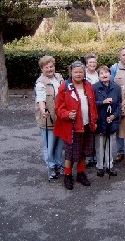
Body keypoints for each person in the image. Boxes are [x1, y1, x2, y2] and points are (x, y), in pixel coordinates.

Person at [54, 61, 98, 190]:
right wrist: (67, 114)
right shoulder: (65, 87)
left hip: (87, 124)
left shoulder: (88, 85)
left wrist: (94, 120)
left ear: (84, 73)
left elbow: (93, 105)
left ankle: (80, 173)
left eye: (80, 72)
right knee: (70, 153)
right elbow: (58, 108)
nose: (78, 74)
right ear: (71, 73)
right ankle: (67, 175)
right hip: (72, 126)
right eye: (76, 72)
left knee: (84, 151)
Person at [34, 55, 64, 180]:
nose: (50, 69)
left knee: (60, 144)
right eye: (47, 67)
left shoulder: (59, 77)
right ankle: (51, 167)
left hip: (61, 118)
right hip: (48, 118)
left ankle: (58, 164)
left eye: (51, 66)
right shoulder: (41, 82)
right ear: (42, 68)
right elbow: (40, 100)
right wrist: (43, 110)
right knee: (49, 145)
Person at [93, 66, 122, 178]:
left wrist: (114, 116)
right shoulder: (94, 87)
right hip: (100, 120)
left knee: (109, 144)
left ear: (110, 74)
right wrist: (102, 102)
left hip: (111, 119)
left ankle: (109, 165)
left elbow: (119, 104)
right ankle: (100, 166)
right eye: (101, 73)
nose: (104, 75)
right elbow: (92, 104)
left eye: (106, 73)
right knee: (100, 144)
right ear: (98, 75)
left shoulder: (116, 87)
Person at [110, 47, 125, 163]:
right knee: (119, 128)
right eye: (124, 55)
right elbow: (110, 85)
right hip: (119, 104)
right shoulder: (114, 68)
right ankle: (120, 152)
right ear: (120, 56)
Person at [84, 52, 99, 166]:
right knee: (86, 132)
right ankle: (86, 156)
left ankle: (94, 155)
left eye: (94, 62)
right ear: (86, 63)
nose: (92, 64)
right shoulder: (82, 74)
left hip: (97, 105)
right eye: (90, 62)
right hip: (85, 105)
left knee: (94, 131)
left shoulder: (99, 74)